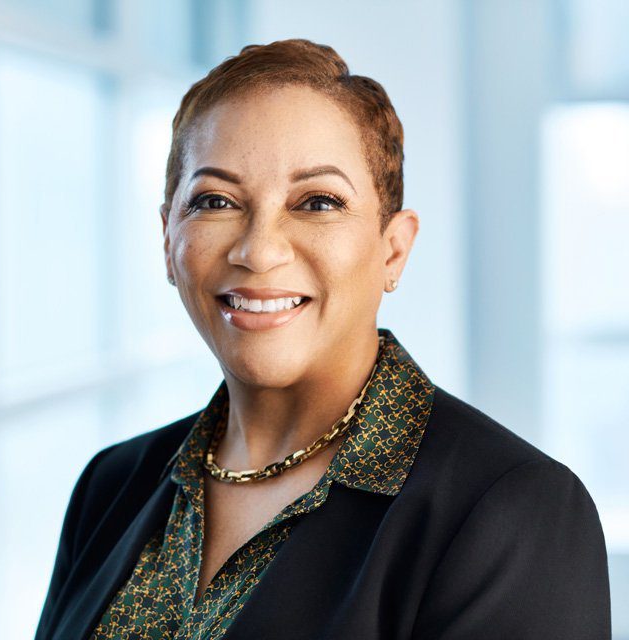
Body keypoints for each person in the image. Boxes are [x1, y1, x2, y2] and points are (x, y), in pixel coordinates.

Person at [34, 39, 611, 640]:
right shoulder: (111, 484)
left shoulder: (513, 511)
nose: (259, 251)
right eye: (215, 201)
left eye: (317, 202)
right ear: (168, 240)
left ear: (393, 249)